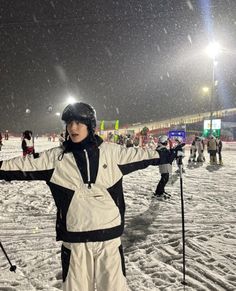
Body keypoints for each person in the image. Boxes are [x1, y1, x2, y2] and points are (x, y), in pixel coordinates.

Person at [0, 102, 183, 291]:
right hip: (75, 243)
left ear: (90, 125)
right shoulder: (55, 158)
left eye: (78, 122)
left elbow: (145, 155)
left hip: (109, 239)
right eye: (69, 123)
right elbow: (16, 166)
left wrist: (168, 154)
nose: (72, 127)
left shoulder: (112, 153)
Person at [154, 135, 172, 199]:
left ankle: (161, 191)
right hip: (164, 165)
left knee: (164, 179)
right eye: (166, 141)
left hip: (165, 164)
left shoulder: (161, 148)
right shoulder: (162, 149)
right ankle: (159, 192)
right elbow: (169, 157)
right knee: (164, 179)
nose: (167, 142)